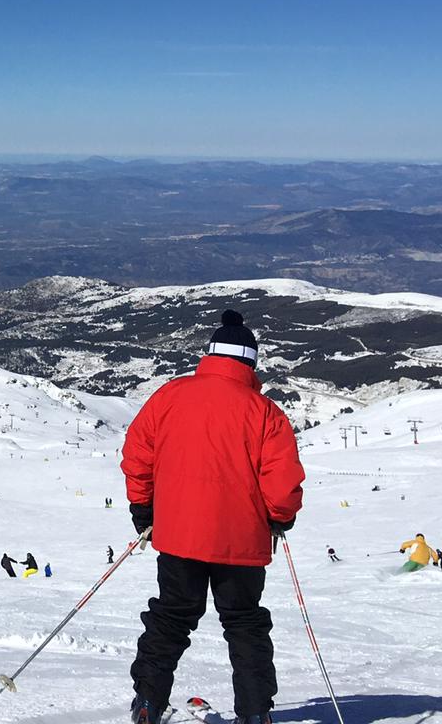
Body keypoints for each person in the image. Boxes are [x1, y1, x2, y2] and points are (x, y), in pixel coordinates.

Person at [123, 310, 304, 724]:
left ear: (208, 355)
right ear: (250, 363)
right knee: (245, 626)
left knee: (170, 618)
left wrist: (143, 508)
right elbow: (282, 484)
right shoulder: (265, 412)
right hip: (241, 544)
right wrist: (280, 517)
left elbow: (138, 456)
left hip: (179, 536)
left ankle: (148, 703)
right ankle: (256, 715)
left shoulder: (169, 396)